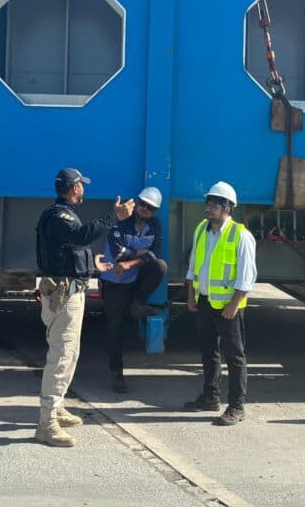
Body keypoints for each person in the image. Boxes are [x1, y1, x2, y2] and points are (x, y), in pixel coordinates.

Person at [34, 167, 134, 447]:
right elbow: (81, 235)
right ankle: (47, 423)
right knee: (61, 356)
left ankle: (58, 406)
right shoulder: (60, 216)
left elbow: (68, 253)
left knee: (70, 353)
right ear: (74, 188)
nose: (84, 189)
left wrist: (93, 265)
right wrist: (115, 217)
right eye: (81, 185)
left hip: (70, 291)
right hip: (64, 296)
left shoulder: (63, 215)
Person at [183, 181, 256, 426]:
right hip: (205, 302)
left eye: (215, 203)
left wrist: (234, 305)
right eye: (208, 203)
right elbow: (194, 265)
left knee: (234, 356)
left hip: (228, 307)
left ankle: (236, 406)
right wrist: (191, 296)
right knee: (208, 352)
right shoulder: (202, 229)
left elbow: (246, 276)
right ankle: (210, 397)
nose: (209, 207)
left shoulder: (240, 235)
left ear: (228, 208)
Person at [100, 185, 168, 393]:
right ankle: (116, 373)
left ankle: (137, 302)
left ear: (155, 211)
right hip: (114, 281)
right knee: (115, 327)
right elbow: (117, 252)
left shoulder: (155, 225)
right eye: (142, 205)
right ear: (136, 204)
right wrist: (140, 253)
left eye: (149, 207)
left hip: (133, 279)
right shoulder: (121, 223)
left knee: (160, 267)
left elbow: (155, 254)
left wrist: (131, 262)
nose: (144, 209)